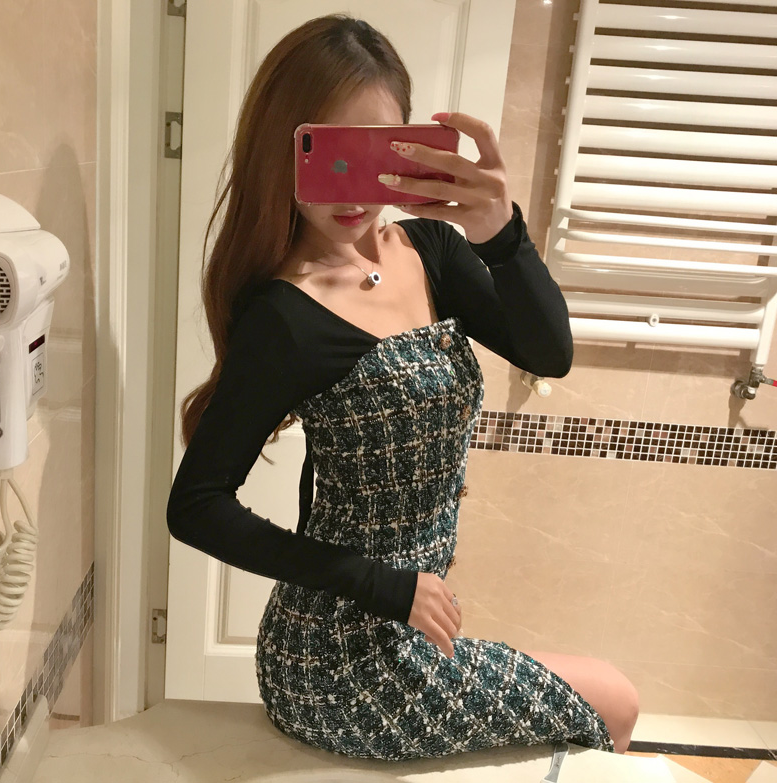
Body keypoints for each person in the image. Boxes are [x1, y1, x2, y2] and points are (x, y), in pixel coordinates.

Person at [167, 14, 639, 761]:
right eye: (326, 151)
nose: (352, 186)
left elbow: (549, 353)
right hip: (334, 660)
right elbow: (195, 506)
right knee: (613, 698)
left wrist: (502, 232)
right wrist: (383, 586)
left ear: (405, 148)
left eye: (372, 151)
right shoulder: (284, 315)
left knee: (608, 699)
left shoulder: (431, 252)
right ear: (282, 150)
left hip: (408, 634)